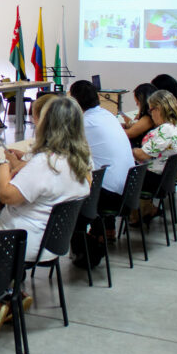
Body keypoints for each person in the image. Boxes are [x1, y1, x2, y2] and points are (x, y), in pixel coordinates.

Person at [0, 96, 90, 339]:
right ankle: (13, 292)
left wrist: (3, 167)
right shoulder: (81, 160)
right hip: (52, 243)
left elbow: (8, 195)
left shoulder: (46, 163)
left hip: (21, 241)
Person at [68, 81, 135, 269]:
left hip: (110, 195)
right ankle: (107, 229)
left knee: (72, 195)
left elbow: (62, 150)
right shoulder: (107, 115)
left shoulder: (85, 123)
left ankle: (85, 247)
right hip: (127, 189)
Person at [132, 90, 177, 218]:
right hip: (166, 177)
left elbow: (141, 155)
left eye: (151, 110)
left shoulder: (166, 130)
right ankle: (143, 210)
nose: (151, 115)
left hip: (154, 179)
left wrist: (131, 150)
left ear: (158, 109)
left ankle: (134, 214)